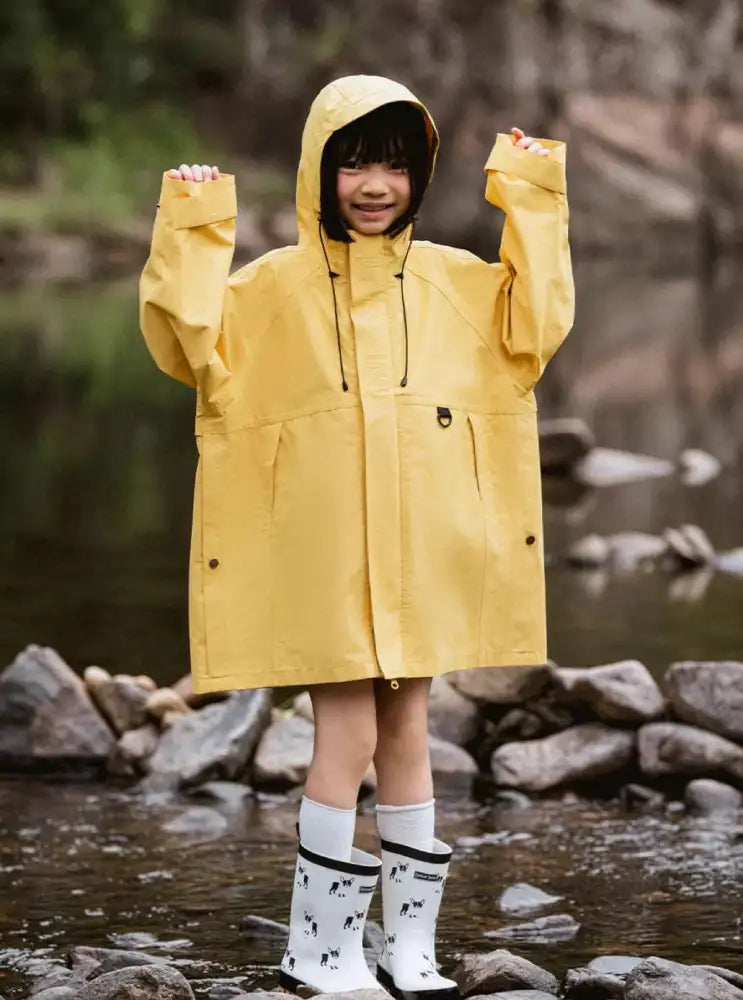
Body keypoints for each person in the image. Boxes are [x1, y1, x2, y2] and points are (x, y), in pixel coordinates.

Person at [140, 75, 573, 999]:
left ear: (418, 175)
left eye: (392, 165)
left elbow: (535, 325)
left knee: (409, 727)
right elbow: (187, 345)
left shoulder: (457, 281)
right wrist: (192, 221)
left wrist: (530, 195)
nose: (373, 184)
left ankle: (408, 947)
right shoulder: (270, 290)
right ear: (318, 171)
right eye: (351, 163)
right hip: (328, 557)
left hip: (416, 555)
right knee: (343, 730)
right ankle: (321, 949)